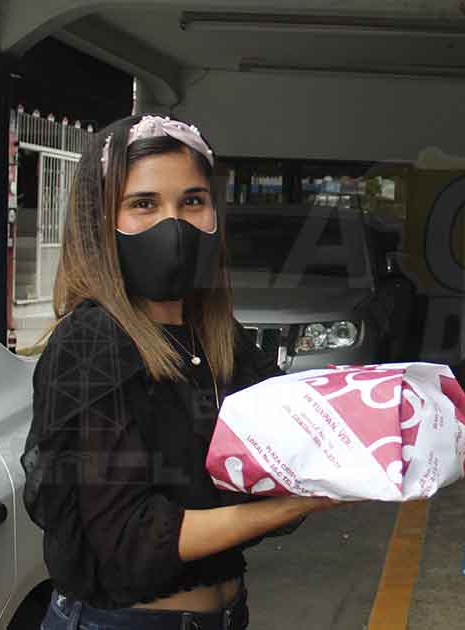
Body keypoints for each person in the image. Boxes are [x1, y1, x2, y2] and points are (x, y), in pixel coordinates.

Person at [22, 114, 340, 630]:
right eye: (143, 204)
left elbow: (278, 455)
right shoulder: (91, 342)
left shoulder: (218, 337)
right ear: (100, 222)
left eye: (192, 201)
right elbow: (128, 541)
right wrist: (295, 505)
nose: (174, 225)